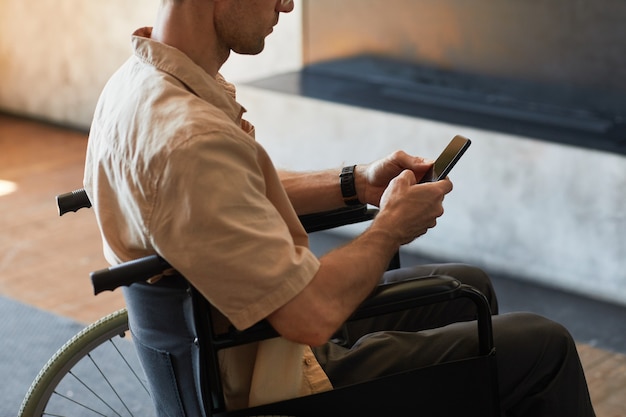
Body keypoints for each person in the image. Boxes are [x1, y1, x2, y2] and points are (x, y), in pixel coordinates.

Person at [83, 0, 596, 415]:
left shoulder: (137, 87)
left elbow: (227, 191)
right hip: (275, 378)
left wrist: (354, 184)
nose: (287, 4)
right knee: (543, 347)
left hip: (223, 343)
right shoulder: (190, 140)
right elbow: (310, 315)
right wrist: (391, 226)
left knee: (469, 289)